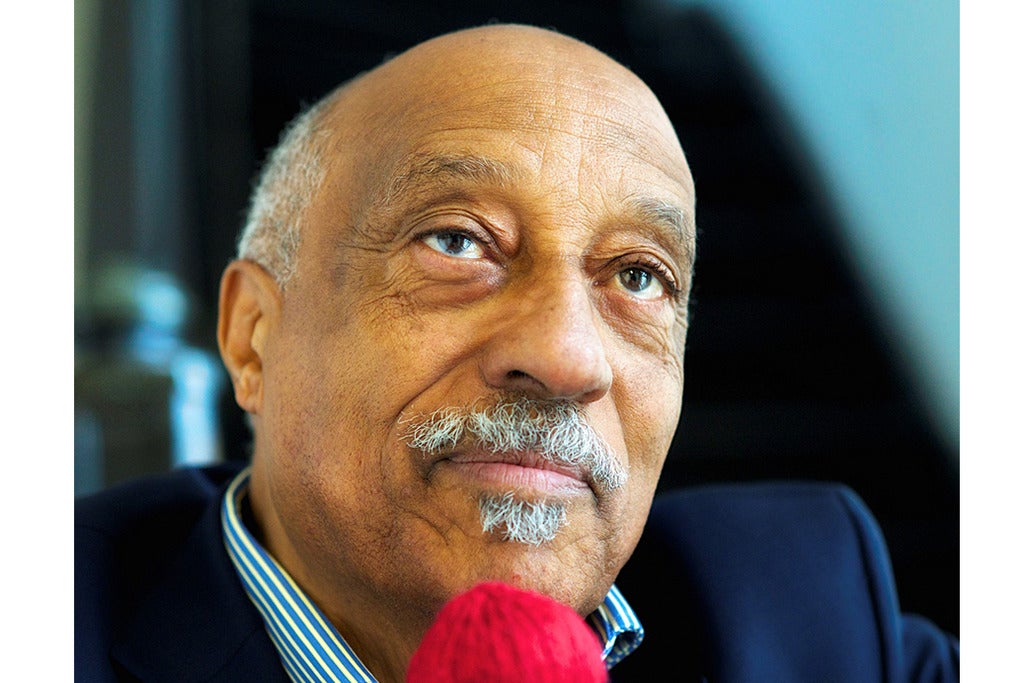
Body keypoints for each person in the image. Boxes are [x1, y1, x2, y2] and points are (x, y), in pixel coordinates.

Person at [75, 24, 957, 682]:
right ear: (252, 336)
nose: (568, 358)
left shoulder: (813, 623)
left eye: (638, 276)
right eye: (458, 242)